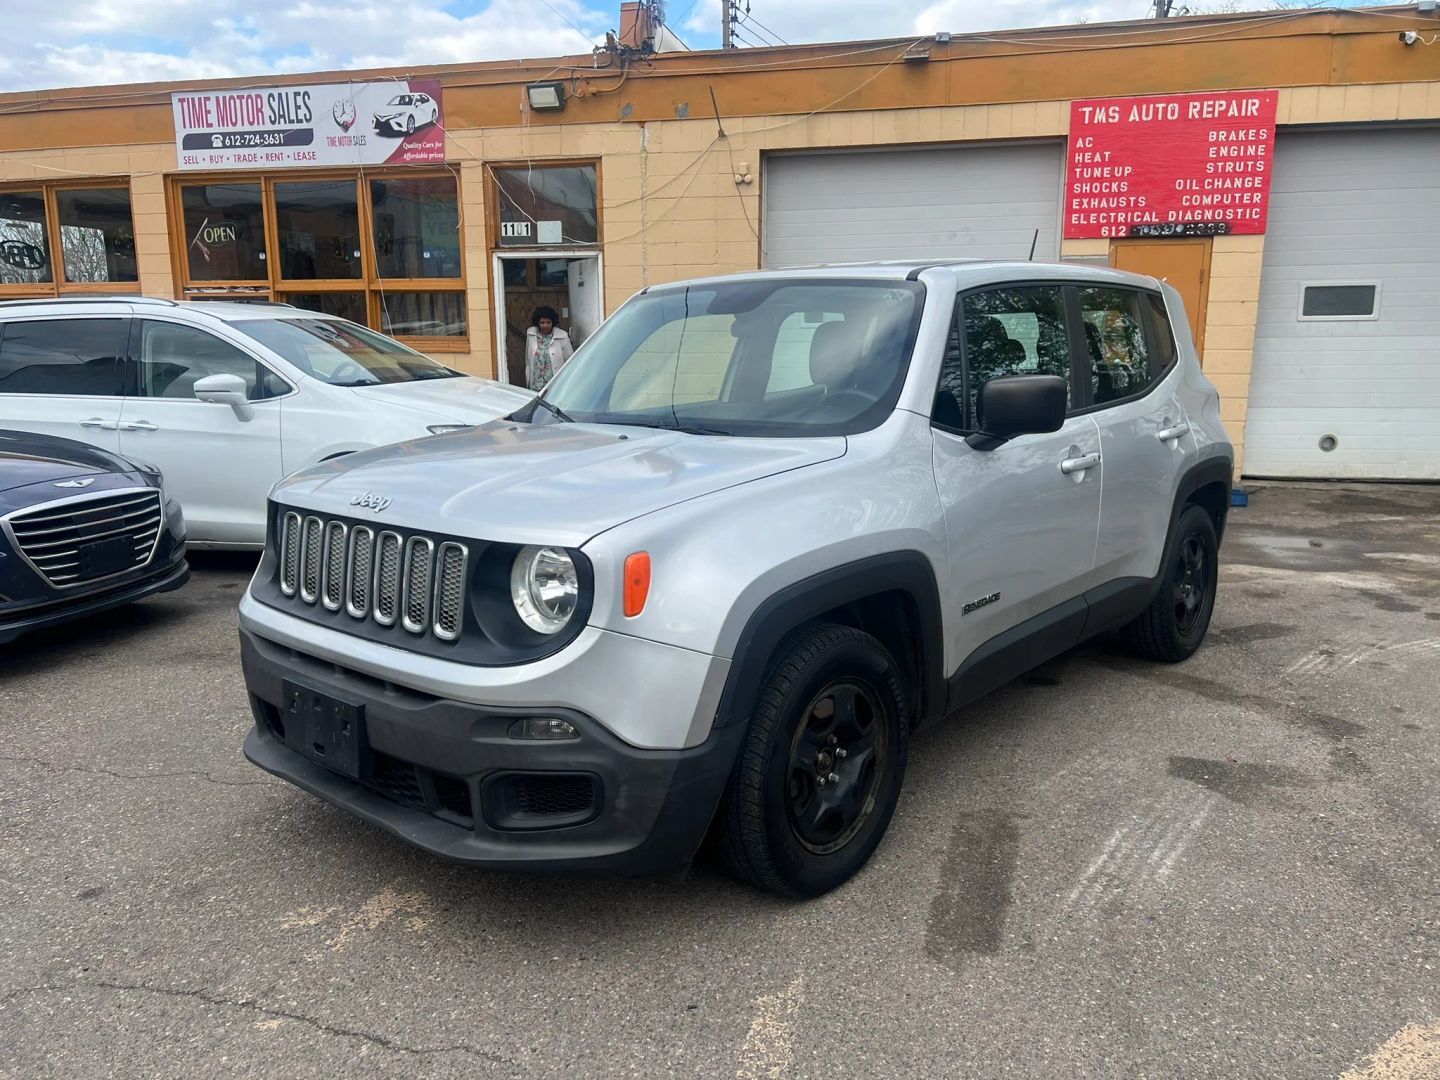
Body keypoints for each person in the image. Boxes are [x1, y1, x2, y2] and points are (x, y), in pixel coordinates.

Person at [524, 306, 574, 391]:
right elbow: (527, 359)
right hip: (536, 383)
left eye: (548, 322)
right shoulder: (531, 334)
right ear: (537, 323)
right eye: (542, 323)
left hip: (555, 383)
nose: (545, 325)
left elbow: (570, 360)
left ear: (553, 322)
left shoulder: (562, 336)